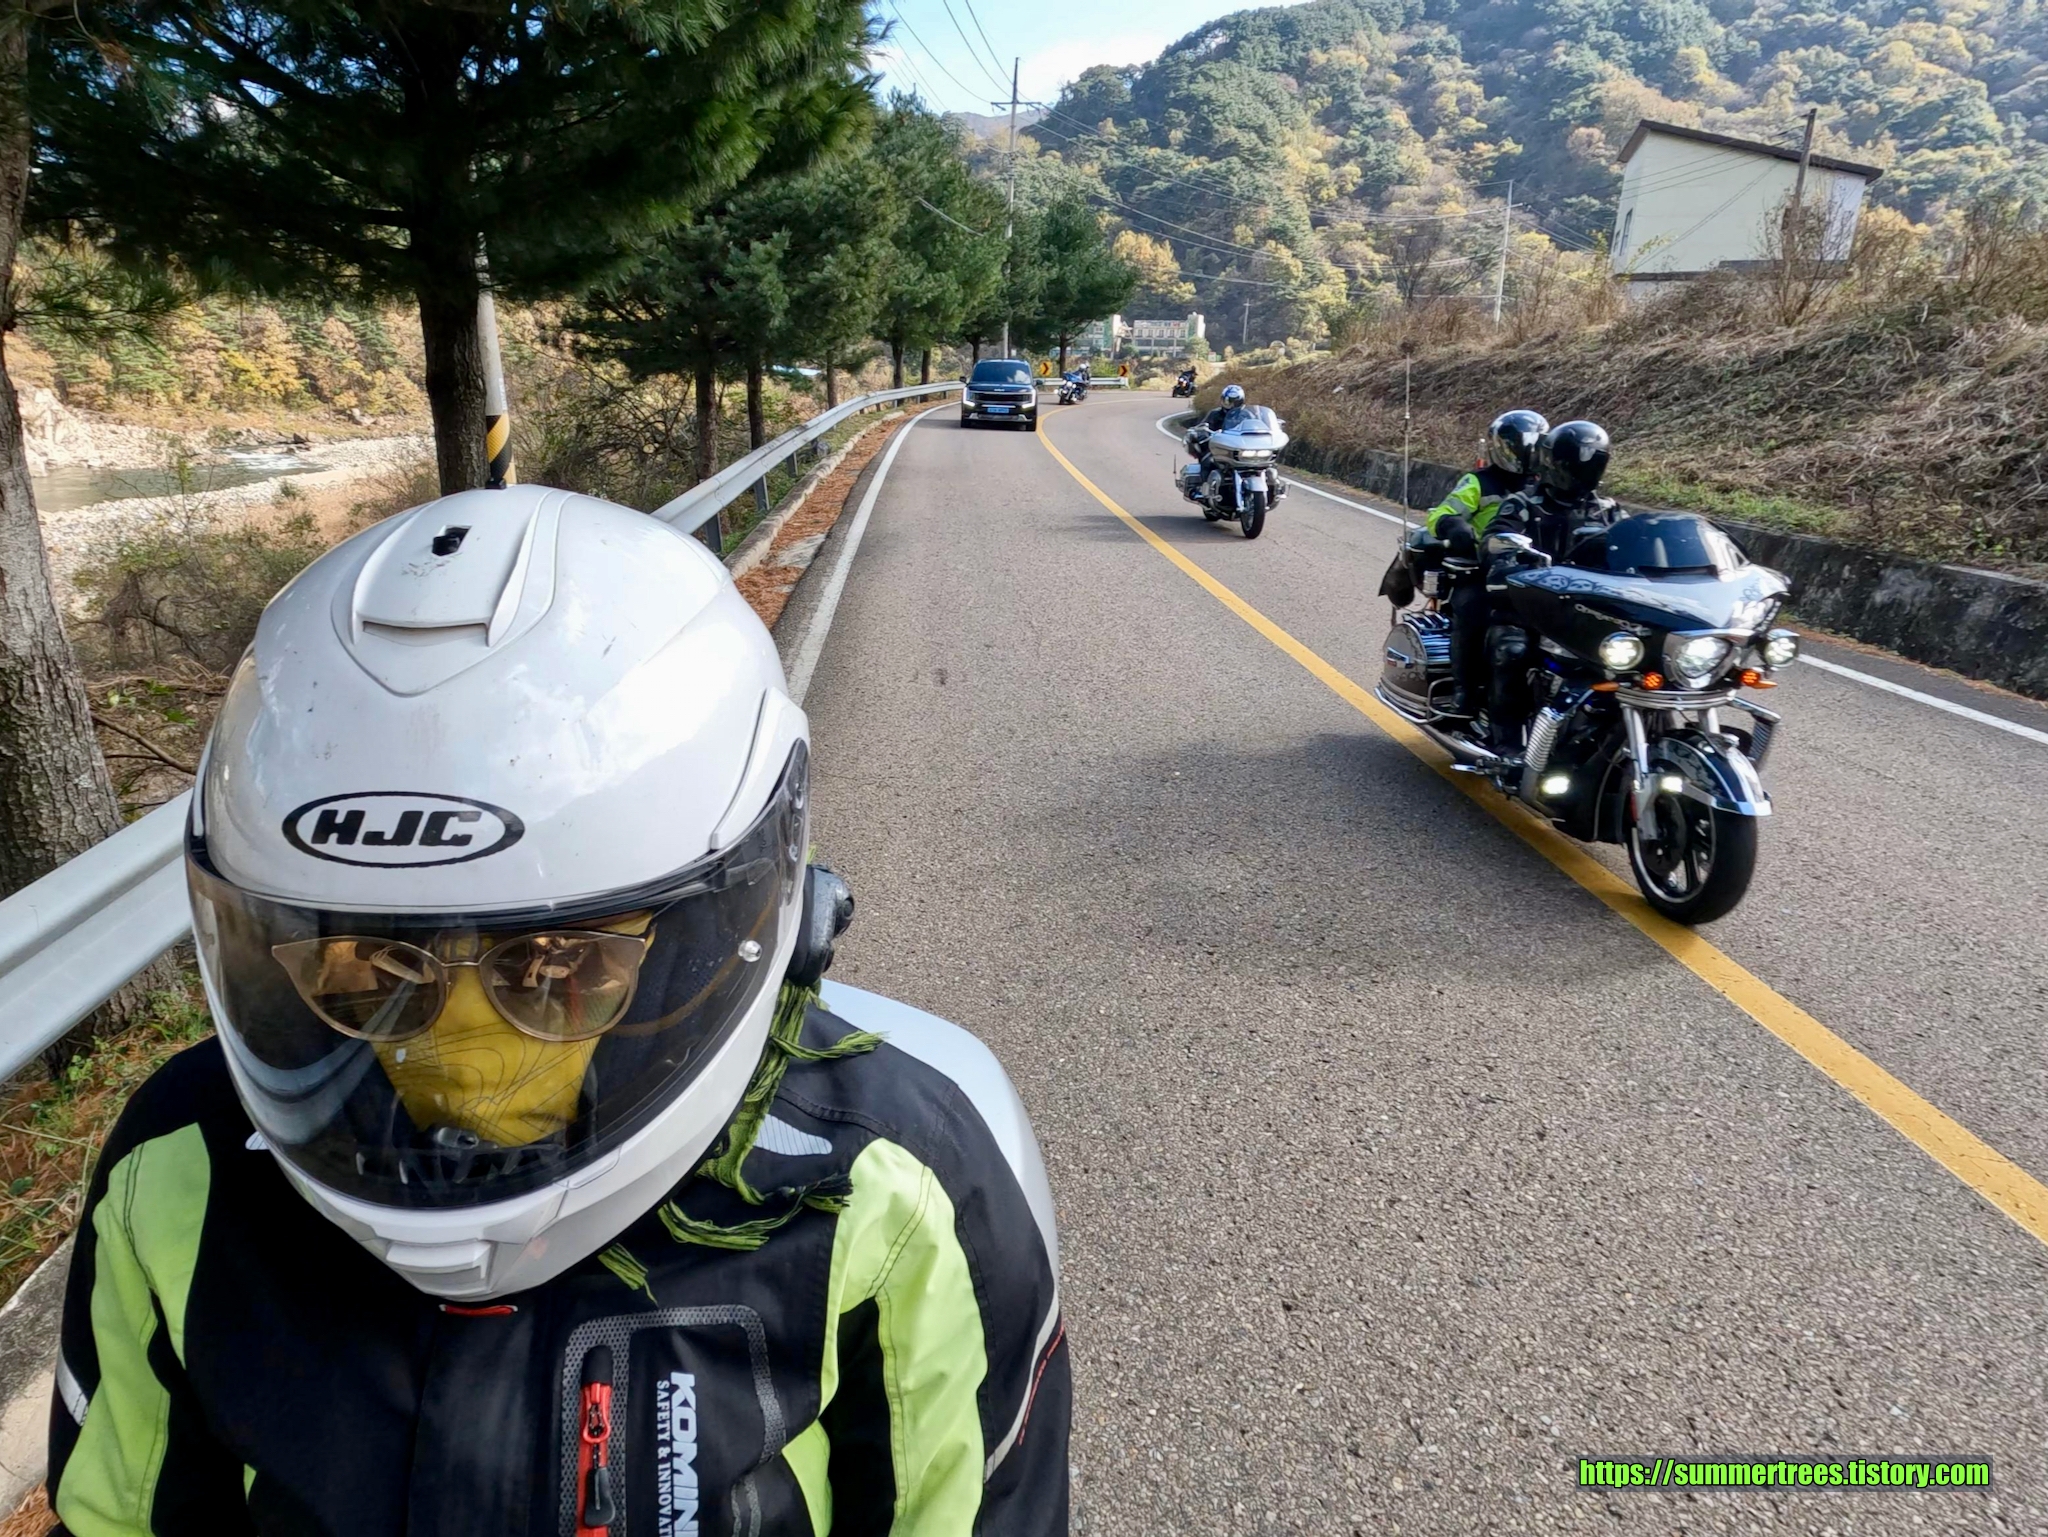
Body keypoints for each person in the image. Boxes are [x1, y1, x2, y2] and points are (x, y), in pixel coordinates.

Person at [47, 485, 1070, 1535]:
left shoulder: (885, 1191)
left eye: (555, 964)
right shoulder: (178, 1175)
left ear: (713, 930)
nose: (458, 1054)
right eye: (370, 966)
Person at [1475, 419, 1622, 753]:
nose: (1579, 472)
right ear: (1554, 462)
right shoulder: (1524, 504)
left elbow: (1633, 549)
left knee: (1636, 662)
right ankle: (1505, 744)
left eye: (1590, 464)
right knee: (1510, 651)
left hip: (1588, 611)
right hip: (1529, 608)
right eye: (1572, 464)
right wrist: (1507, 560)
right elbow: (1495, 540)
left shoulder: (1608, 511)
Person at [1424, 410, 1548, 720]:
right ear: (1499, 447)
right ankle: (1464, 691)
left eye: (1532, 446)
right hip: (1483, 571)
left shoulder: (1548, 485)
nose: (1524, 454)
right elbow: (1440, 514)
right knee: (1472, 609)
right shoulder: (1478, 482)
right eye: (1516, 447)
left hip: (1537, 574)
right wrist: (1453, 526)